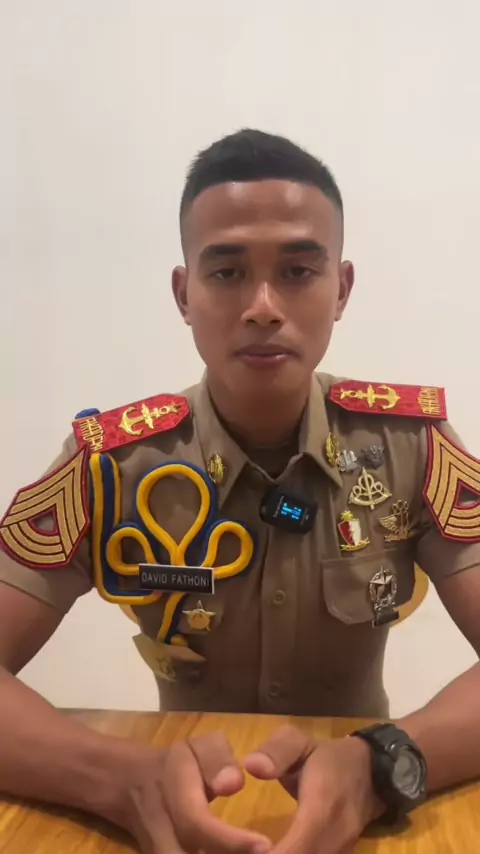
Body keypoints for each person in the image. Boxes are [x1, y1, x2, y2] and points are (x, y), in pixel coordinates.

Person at [1, 128, 480, 854]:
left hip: (370, 828)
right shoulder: (108, 468)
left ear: (341, 289)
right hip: (166, 827)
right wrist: (118, 779)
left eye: (298, 270)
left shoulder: (411, 448)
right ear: (183, 293)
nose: (262, 306)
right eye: (226, 273)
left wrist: (382, 765)